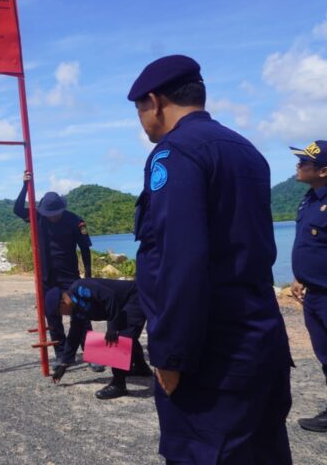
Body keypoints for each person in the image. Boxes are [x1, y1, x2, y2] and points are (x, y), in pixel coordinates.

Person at [129, 55, 293, 463]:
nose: (143, 121)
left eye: (140, 110)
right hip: (259, 339)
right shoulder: (246, 149)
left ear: (155, 101)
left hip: (211, 353)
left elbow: (180, 260)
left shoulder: (176, 153)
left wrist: (170, 354)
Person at [13, 171, 103, 373]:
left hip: (70, 276)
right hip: (47, 278)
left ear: (62, 209)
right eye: (49, 214)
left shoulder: (74, 221)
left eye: (56, 213)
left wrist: (88, 277)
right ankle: (61, 354)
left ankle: (94, 355)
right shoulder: (38, 217)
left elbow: (85, 250)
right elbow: (18, 209)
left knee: (81, 314)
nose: (52, 217)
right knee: (52, 315)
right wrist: (25, 186)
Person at [44, 278, 152, 399]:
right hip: (121, 304)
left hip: (135, 297)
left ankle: (118, 385)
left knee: (121, 339)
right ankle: (142, 368)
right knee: (128, 336)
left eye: (60, 313)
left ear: (62, 302)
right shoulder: (77, 309)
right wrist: (64, 364)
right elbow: (74, 334)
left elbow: (110, 297)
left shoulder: (80, 288)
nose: (63, 315)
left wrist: (112, 326)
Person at [289, 140, 327, 432]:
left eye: (305, 163)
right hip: (313, 293)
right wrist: (300, 276)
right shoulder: (309, 199)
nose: (298, 166)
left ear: (324, 170)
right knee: (324, 355)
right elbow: (310, 244)